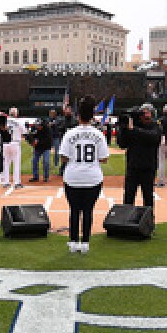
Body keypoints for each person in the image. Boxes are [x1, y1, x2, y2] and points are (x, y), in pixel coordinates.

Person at [59, 96, 109, 253]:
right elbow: (104, 158)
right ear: (92, 115)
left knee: (74, 210)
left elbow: (63, 157)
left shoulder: (69, 133)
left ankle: (73, 242)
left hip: (72, 177)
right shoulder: (99, 134)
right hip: (93, 177)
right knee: (88, 211)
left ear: (78, 115)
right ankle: (85, 242)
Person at [117, 102, 161, 214]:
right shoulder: (134, 126)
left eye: (147, 112)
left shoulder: (155, 126)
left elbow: (154, 138)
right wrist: (124, 128)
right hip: (133, 166)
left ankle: (149, 221)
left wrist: (134, 130)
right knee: (128, 196)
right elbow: (122, 144)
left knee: (148, 197)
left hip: (148, 167)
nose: (145, 115)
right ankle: (125, 220)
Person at [29, 117, 54, 183]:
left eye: (39, 126)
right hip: (38, 148)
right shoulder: (34, 129)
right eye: (36, 126)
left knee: (46, 161)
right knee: (34, 161)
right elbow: (30, 137)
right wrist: (32, 142)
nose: (37, 127)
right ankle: (35, 176)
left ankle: (46, 177)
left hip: (46, 147)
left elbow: (48, 140)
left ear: (42, 125)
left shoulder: (47, 129)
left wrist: (38, 142)